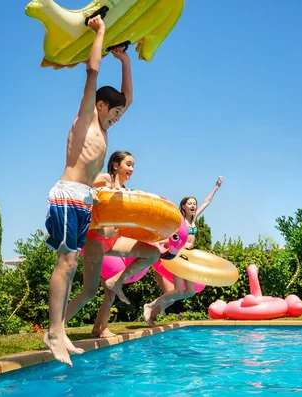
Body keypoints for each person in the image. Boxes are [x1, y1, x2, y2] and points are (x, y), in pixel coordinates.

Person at [43, 15, 151, 367]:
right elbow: (91, 74)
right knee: (67, 262)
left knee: (72, 266)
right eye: (114, 111)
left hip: (82, 200)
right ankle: (54, 332)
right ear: (101, 106)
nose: (117, 117)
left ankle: (57, 330)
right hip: (67, 194)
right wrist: (100, 33)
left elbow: (129, 99)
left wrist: (125, 60)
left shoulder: (105, 131)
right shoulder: (86, 118)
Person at [64, 150, 163, 337]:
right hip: (95, 240)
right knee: (89, 292)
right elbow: (77, 184)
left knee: (152, 253)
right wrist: (89, 192)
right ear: (116, 165)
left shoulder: (126, 192)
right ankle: (56, 331)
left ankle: (115, 283)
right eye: (128, 164)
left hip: (114, 241)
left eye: (133, 165)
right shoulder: (105, 180)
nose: (132, 169)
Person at [143, 176, 223, 325]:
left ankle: (154, 307)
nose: (193, 206)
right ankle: (151, 306)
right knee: (179, 290)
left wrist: (216, 187)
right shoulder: (179, 220)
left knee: (190, 292)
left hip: (189, 257)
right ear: (183, 206)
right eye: (190, 203)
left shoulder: (193, 219)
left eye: (194, 204)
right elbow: (172, 237)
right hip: (178, 255)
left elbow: (206, 202)